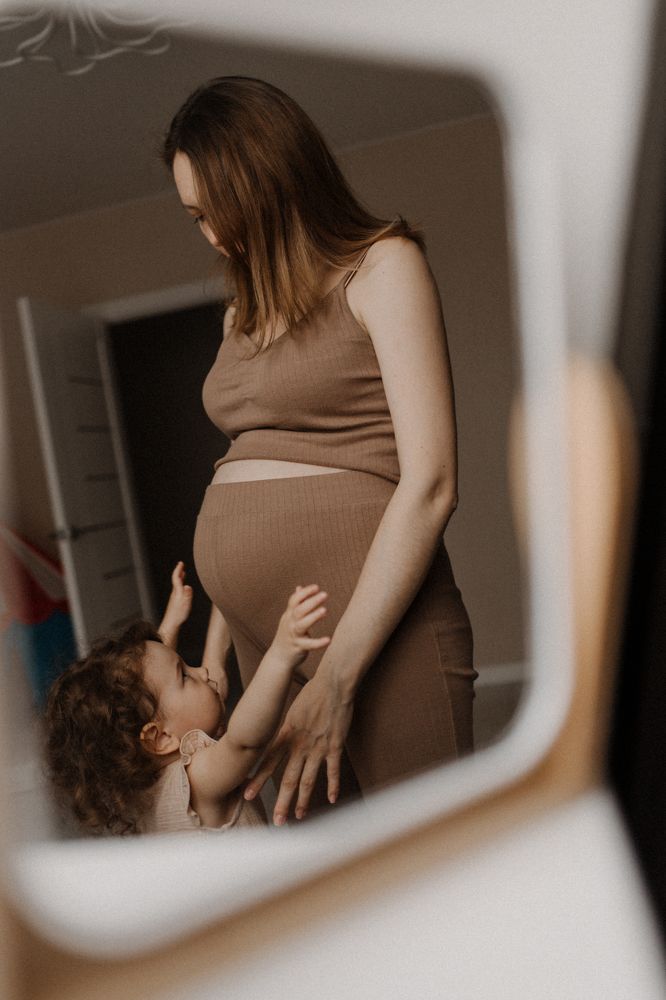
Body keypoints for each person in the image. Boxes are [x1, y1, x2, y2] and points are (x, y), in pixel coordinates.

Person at [162, 76, 477, 827]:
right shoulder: (239, 312)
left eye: (219, 207)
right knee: (324, 864)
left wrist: (336, 678)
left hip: (380, 632)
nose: (212, 234)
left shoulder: (382, 266)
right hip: (262, 643)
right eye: (196, 216)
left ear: (273, 177)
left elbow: (432, 483)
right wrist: (216, 653)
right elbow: (242, 469)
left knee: (423, 855)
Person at [44, 562, 331, 835]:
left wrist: (173, 623)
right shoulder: (198, 781)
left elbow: (155, 688)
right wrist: (280, 655)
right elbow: (244, 742)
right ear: (160, 738)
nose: (202, 671)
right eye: (185, 675)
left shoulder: (142, 792)